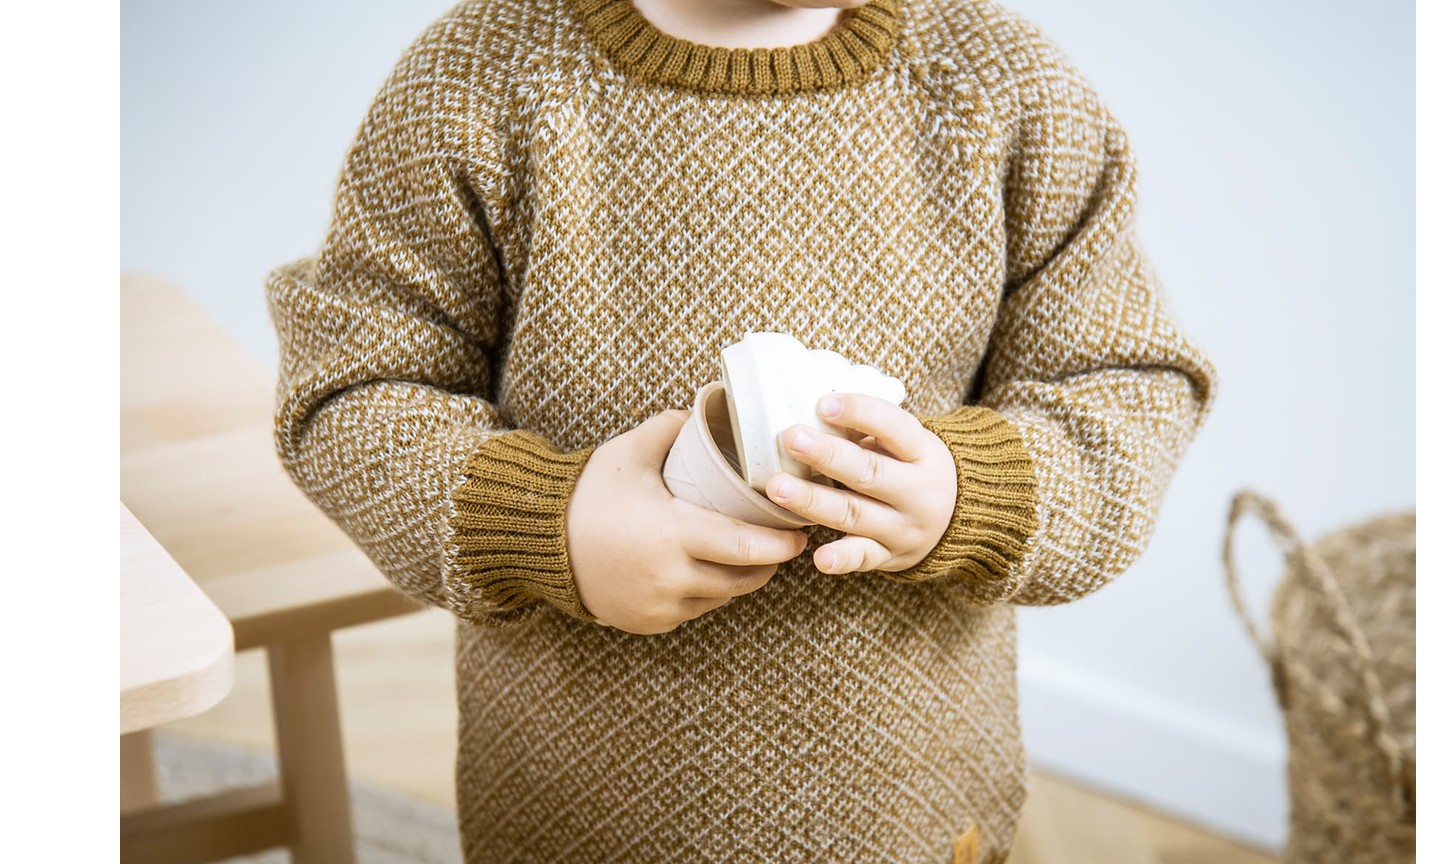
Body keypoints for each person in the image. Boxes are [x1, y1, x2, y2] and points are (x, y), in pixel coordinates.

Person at [265, 0, 1218, 860]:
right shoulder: (479, 77)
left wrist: (979, 492)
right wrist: (549, 521)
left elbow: (1124, 385)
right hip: (576, 811)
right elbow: (352, 387)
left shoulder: (1006, 88)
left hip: (910, 814)